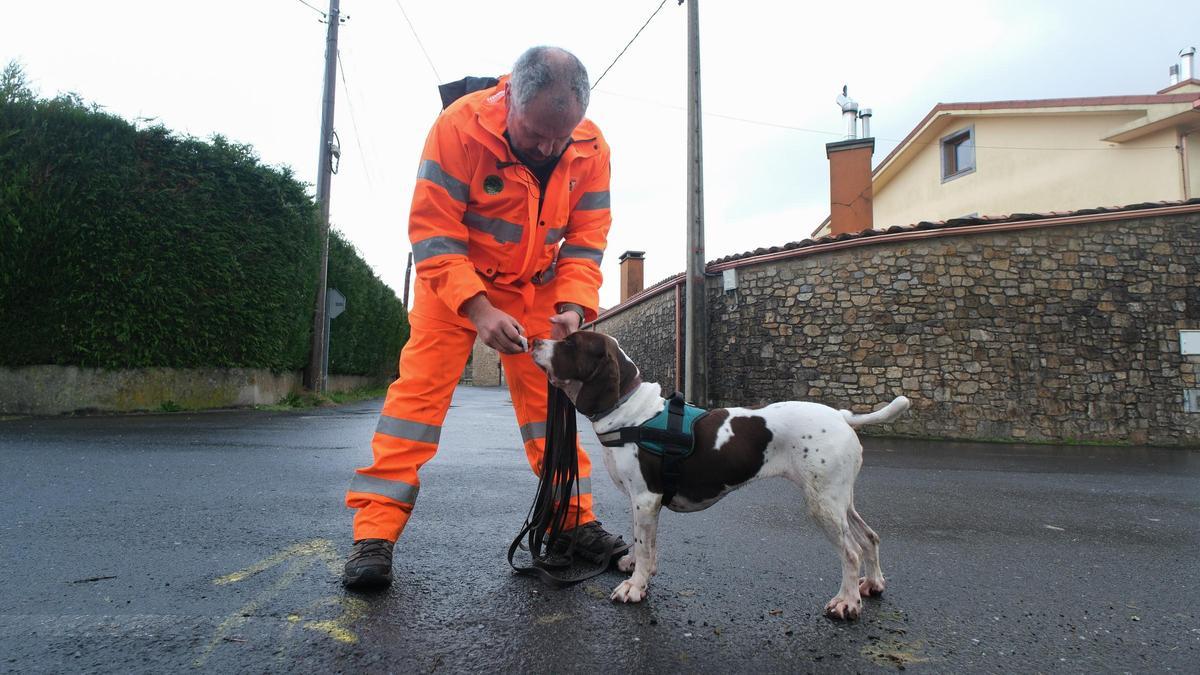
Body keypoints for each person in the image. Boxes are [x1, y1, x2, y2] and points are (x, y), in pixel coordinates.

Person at [343, 46, 628, 589]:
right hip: (454, 287)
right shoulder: (457, 129)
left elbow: (587, 240)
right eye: (537, 133)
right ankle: (373, 534)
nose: (548, 146)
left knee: (554, 410)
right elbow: (433, 233)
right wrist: (478, 308)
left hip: (538, 292)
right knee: (416, 406)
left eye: (559, 136)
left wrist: (572, 305)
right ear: (510, 101)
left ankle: (571, 523)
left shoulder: (591, 147)